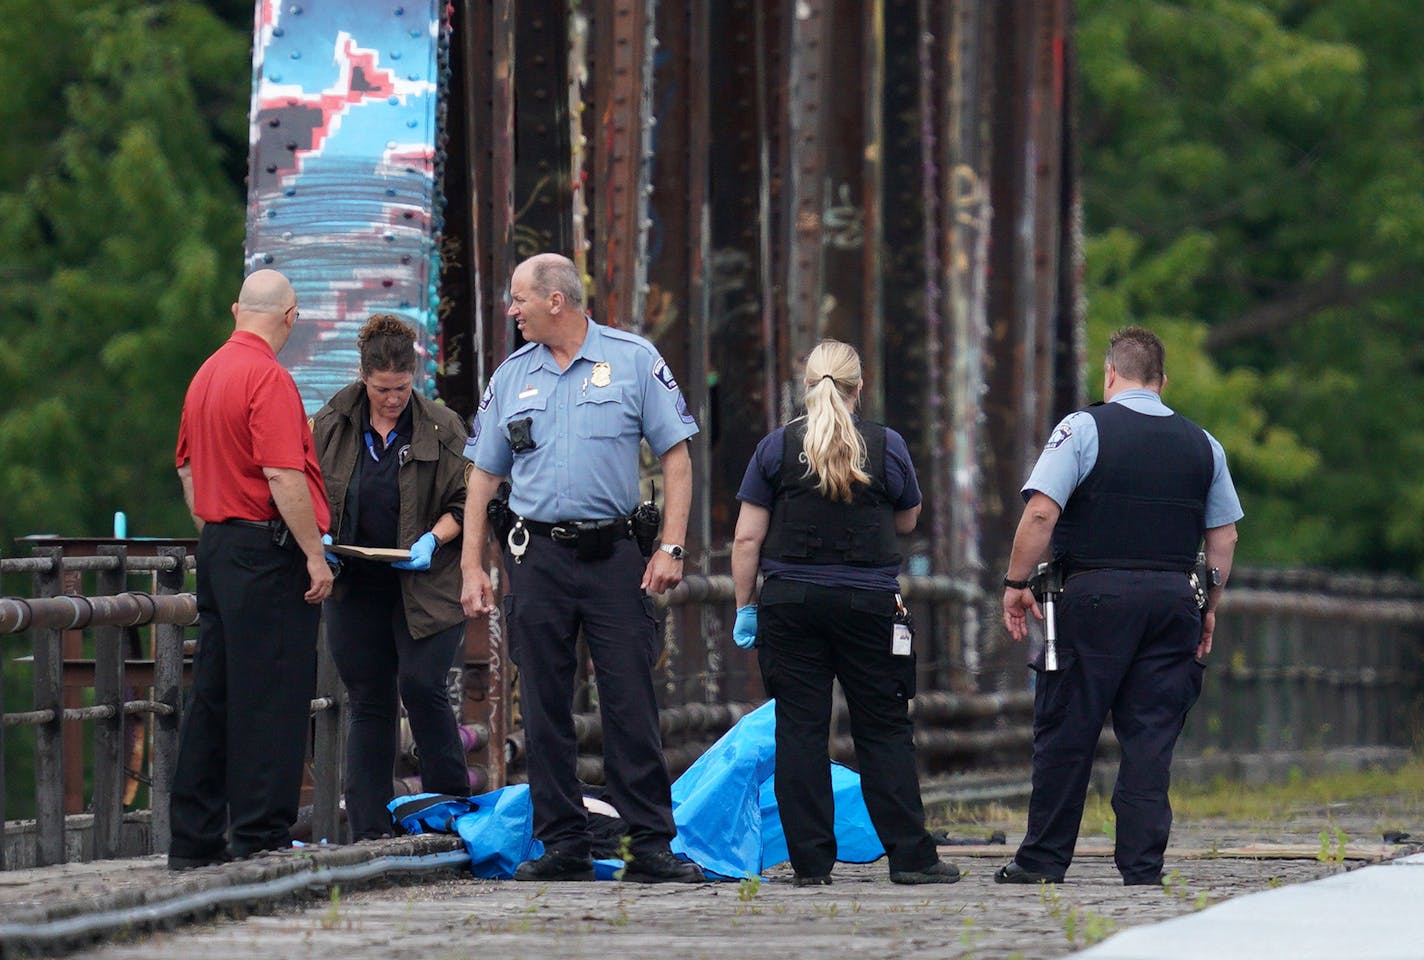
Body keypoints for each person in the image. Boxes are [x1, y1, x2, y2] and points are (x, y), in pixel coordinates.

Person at [460, 252, 704, 883]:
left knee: (629, 697)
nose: (511, 310)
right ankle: (562, 842)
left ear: (556, 301)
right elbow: (483, 477)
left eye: (519, 299)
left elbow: (676, 458)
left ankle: (648, 843)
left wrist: (671, 546)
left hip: (614, 556)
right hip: (535, 558)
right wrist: (471, 569)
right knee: (542, 704)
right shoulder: (512, 376)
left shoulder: (632, 360)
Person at [996, 326, 1242, 886]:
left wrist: (1014, 582)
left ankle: (1041, 862)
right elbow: (1223, 538)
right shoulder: (1203, 442)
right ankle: (1141, 865)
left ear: (1110, 375)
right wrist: (1209, 604)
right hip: (1172, 600)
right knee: (1151, 735)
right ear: (1162, 382)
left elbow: (1040, 514)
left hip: (1093, 600)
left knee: (1068, 729)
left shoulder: (1082, 428)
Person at [729, 339, 961, 886]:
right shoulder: (886, 446)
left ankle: (811, 864)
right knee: (883, 731)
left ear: (806, 387)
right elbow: (907, 520)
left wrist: (746, 606)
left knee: (801, 732)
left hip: (790, 606)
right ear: (861, 388)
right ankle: (911, 858)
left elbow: (746, 539)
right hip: (869, 607)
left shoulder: (774, 449)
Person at [168, 269, 334, 869]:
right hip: (265, 553)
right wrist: (313, 554)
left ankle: (194, 838)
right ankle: (261, 834)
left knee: (214, 693)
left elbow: (187, 470)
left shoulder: (206, 374)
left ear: (238, 309)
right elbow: (283, 474)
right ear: (289, 317)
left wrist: (218, 527)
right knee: (273, 691)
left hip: (217, 546)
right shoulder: (268, 377)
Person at [310, 314, 472, 840]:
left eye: (401, 389)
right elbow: (307, 488)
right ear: (364, 379)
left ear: (414, 380)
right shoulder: (331, 422)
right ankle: (369, 830)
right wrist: (321, 542)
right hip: (356, 583)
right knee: (369, 700)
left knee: (423, 686)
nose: (392, 399)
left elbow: (470, 499)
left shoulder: (443, 426)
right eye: (382, 389)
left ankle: (452, 816)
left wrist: (435, 538)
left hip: (425, 584)